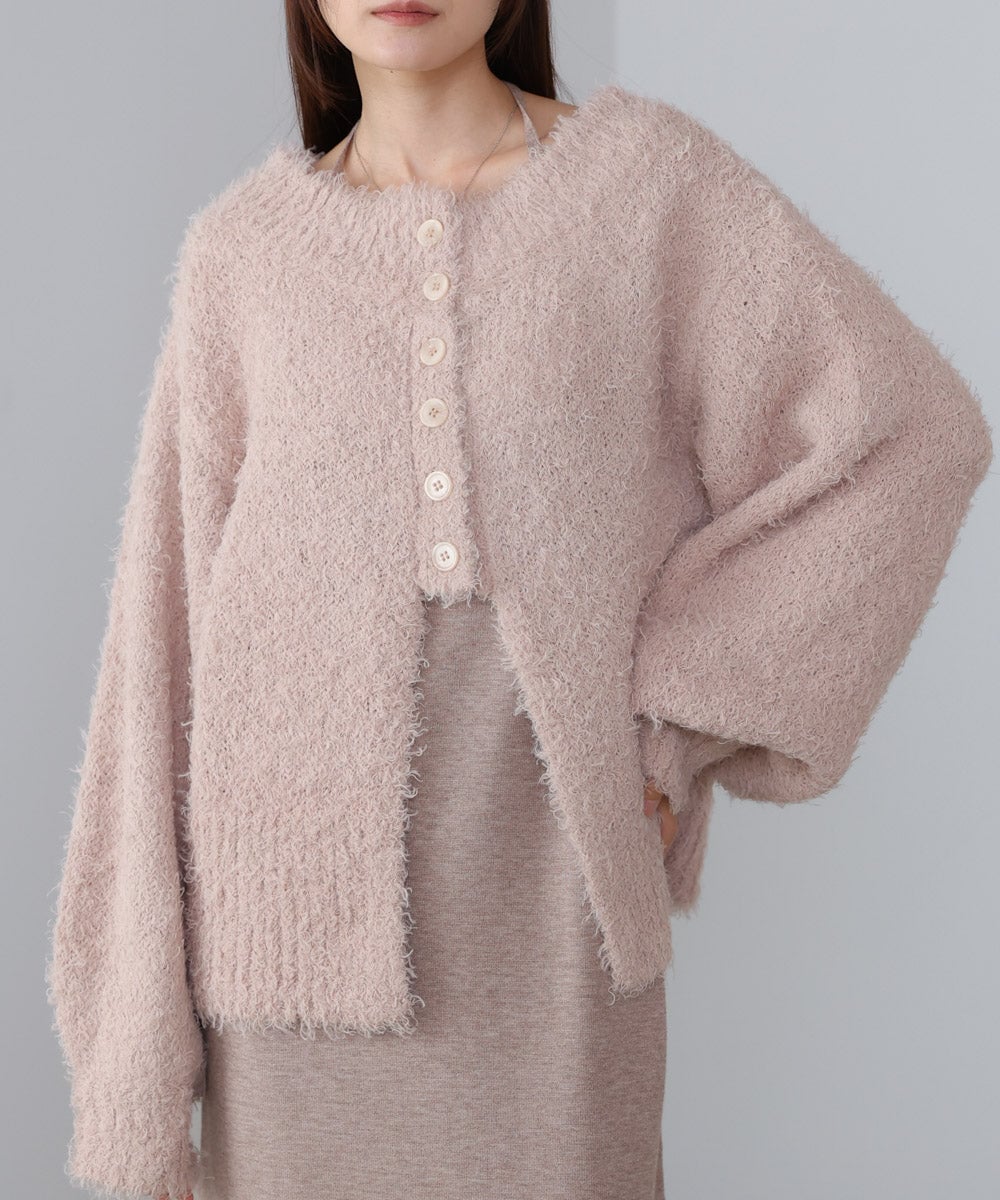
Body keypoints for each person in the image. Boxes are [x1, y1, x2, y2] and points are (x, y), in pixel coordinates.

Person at [45, 2, 993, 1199]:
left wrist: (679, 718)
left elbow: (906, 432)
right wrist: (131, 1069)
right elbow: (158, 655)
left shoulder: (646, 192)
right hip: (286, 986)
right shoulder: (242, 257)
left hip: (555, 936)